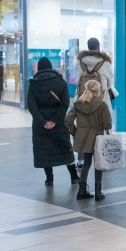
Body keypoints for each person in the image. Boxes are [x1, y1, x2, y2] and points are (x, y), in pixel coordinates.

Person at [27, 57, 79, 186]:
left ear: (39, 68)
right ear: (51, 67)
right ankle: (74, 176)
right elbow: (65, 103)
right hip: (59, 122)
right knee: (65, 147)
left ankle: (49, 179)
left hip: (40, 124)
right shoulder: (61, 82)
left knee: (44, 151)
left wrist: (43, 121)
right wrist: (55, 120)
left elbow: (32, 106)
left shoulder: (34, 84)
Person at [66, 79, 112, 201]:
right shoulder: (102, 105)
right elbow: (108, 125)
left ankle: (82, 191)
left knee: (86, 164)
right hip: (98, 137)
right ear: (98, 90)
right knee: (99, 164)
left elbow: (68, 120)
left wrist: (75, 131)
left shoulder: (77, 104)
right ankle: (98, 192)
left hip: (83, 137)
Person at [76, 37, 117, 111]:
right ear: (99, 46)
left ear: (88, 47)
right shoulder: (105, 62)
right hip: (102, 102)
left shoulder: (80, 62)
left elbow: (77, 80)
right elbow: (110, 83)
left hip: (83, 101)